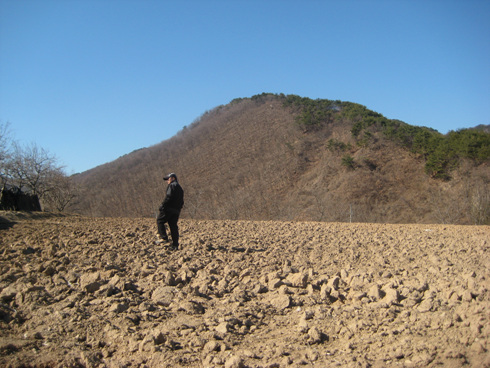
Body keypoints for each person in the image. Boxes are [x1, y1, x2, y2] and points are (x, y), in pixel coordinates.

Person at [156, 173, 184, 249]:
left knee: (160, 220)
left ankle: (164, 238)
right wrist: (178, 208)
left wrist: (163, 205)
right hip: (176, 210)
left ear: (173, 178)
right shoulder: (180, 188)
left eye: (168, 179)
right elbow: (182, 201)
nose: (167, 181)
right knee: (173, 226)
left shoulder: (172, 185)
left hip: (169, 208)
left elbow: (168, 196)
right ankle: (175, 245)